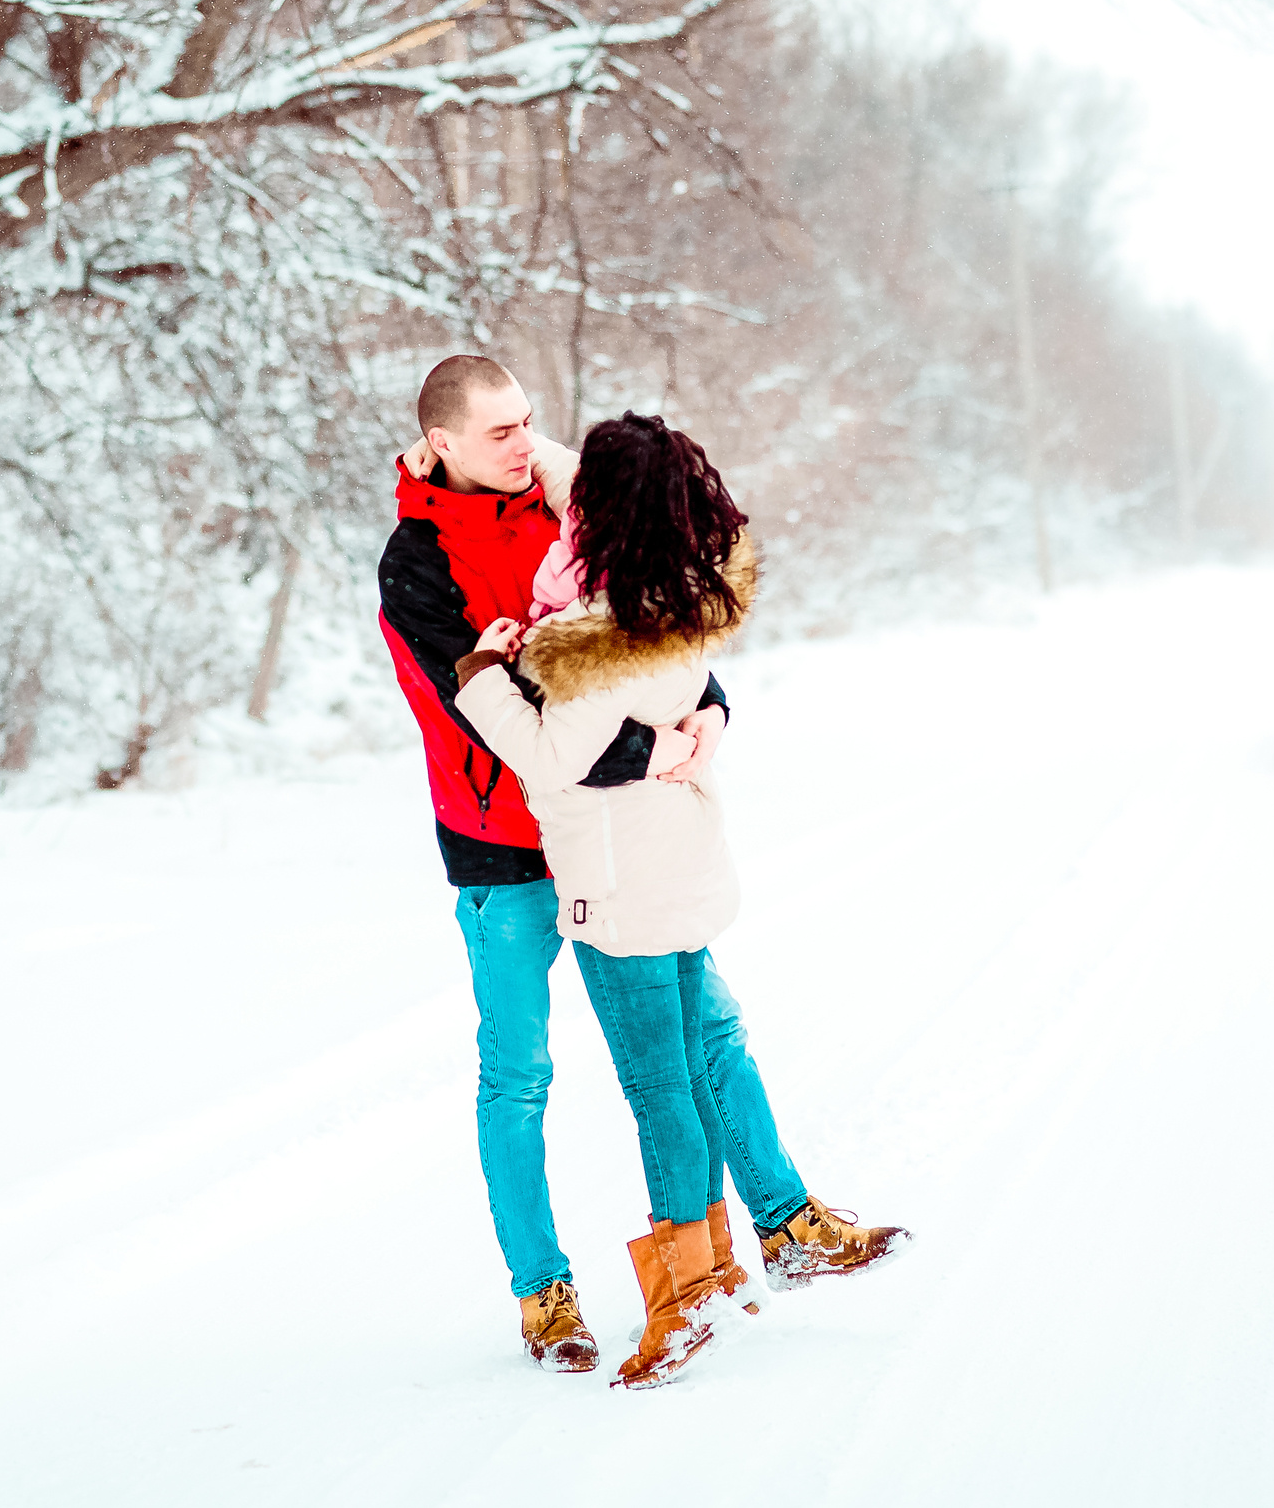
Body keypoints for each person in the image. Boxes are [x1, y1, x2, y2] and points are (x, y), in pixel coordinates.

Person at [378, 355, 906, 1381]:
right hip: (504, 844)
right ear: (441, 444)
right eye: (499, 432)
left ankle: (784, 1226)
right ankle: (546, 1294)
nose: (525, 443)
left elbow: (664, 575)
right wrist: (648, 750)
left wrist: (704, 710)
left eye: (530, 422)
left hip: (614, 833)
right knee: (519, 1074)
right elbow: (487, 715)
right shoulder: (413, 563)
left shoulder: (559, 489)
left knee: (709, 1033)